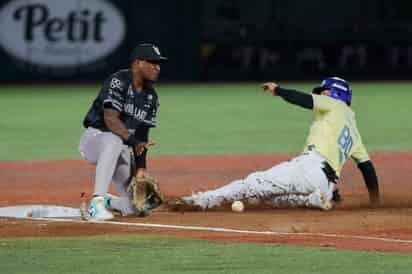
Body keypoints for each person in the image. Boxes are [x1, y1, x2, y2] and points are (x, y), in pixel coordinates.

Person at [172, 77, 380, 211]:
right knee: (271, 201)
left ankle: (203, 200)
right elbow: (367, 168)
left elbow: (305, 99)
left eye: (323, 92)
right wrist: (375, 203)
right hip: (327, 181)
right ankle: (316, 199)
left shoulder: (335, 104)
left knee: (253, 184)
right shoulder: (355, 132)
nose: (319, 94)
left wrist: (279, 90)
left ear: (336, 94)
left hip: (311, 167)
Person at [79, 43, 167, 220]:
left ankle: (109, 202)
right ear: (137, 63)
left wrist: (141, 168)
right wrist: (134, 143)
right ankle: (96, 204)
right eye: (152, 62)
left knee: (136, 208)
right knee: (114, 139)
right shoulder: (118, 81)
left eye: (159, 63)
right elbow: (111, 120)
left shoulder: (151, 97)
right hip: (94, 139)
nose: (157, 67)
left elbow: (142, 136)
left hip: (121, 148)